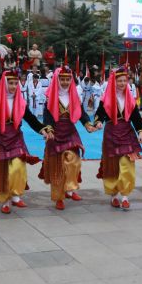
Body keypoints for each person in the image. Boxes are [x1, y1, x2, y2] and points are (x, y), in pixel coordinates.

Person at [0, 69, 49, 213]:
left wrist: (42, 129)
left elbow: (31, 119)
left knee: (18, 167)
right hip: (0, 139)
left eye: (15, 83)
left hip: (15, 138)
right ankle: (5, 201)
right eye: (10, 83)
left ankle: (15, 195)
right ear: (4, 84)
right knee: (3, 171)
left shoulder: (20, 101)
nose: (13, 86)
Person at [40, 67, 97, 210]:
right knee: (58, 167)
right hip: (55, 133)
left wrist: (87, 124)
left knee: (74, 161)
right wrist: (49, 129)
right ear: (57, 80)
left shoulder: (73, 96)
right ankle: (59, 197)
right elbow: (47, 117)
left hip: (70, 131)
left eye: (67, 79)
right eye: (62, 79)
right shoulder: (50, 97)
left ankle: (70, 190)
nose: (65, 82)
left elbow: (81, 112)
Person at [94, 66, 142, 209]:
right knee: (112, 166)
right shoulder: (106, 99)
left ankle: (125, 196)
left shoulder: (130, 99)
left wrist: (141, 132)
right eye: (120, 81)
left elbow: (136, 118)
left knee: (127, 164)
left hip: (127, 134)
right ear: (114, 82)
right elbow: (100, 114)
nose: (122, 83)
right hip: (111, 134)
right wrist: (98, 122)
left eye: (124, 81)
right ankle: (113, 195)